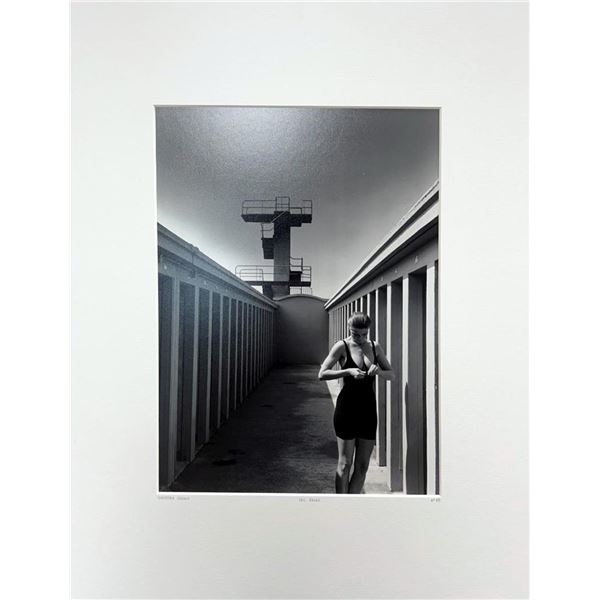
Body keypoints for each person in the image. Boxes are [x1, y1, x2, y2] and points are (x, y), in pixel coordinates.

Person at [318, 312, 394, 494]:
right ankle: (341, 504)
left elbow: (391, 374)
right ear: (349, 329)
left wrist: (379, 372)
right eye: (355, 334)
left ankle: (352, 503)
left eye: (364, 334)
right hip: (346, 410)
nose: (360, 338)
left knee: (362, 466)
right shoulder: (341, 346)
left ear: (368, 331)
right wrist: (348, 371)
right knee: (345, 464)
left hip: (368, 411)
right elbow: (322, 373)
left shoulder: (375, 347)